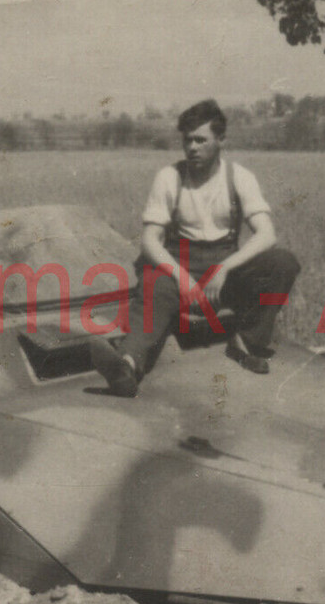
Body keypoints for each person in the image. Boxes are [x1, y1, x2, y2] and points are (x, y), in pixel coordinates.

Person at [90, 99, 300, 397]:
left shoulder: (239, 177)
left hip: (223, 271)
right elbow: (150, 240)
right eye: (187, 140)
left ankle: (248, 344)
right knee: (153, 285)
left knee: (283, 263)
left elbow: (267, 235)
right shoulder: (169, 177)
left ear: (221, 140)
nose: (192, 147)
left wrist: (225, 268)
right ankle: (127, 365)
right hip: (180, 266)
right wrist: (181, 277)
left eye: (201, 139)